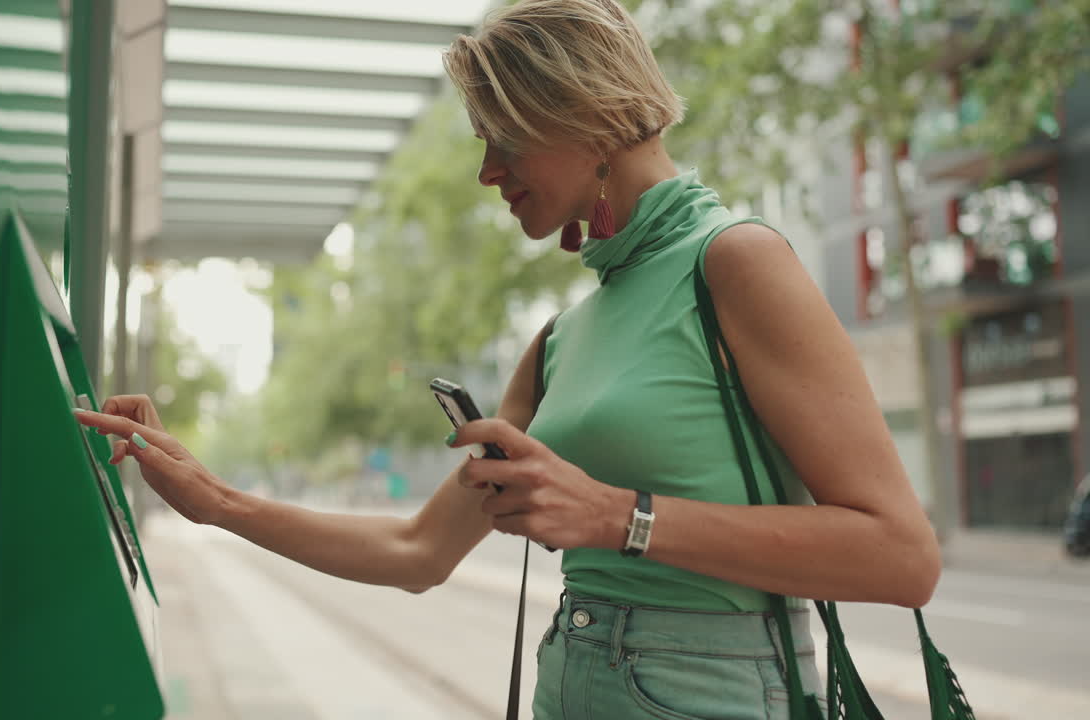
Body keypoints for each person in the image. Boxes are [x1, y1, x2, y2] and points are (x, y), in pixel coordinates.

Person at [73, 1, 941, 717]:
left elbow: (903, 557)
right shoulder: (561, 337)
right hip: (572, 684)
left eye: (503, 138)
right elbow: (419, 552)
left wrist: (616, 517)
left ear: (583, 113)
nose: (487, 172)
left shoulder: (737, 263)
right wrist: (214, 499)